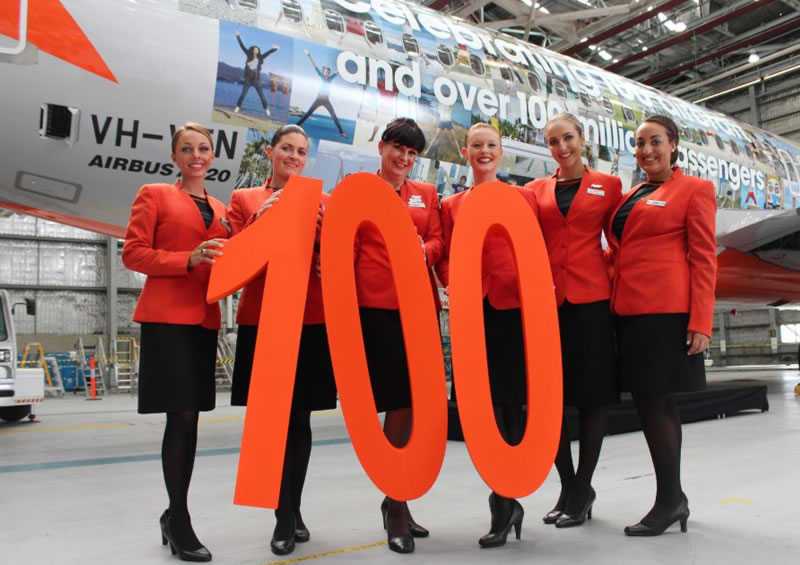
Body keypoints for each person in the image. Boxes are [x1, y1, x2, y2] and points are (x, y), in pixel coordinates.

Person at [227, 124, 336, 557]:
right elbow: (234, 258)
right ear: (270, 152)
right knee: (273, 423)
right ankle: (282, 515)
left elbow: (339, 258)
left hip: (310, 319)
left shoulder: (325, 201)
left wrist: (327, 239)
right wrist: (261, 218)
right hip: (264, 320)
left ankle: (294, 508)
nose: (294, 156)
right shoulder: (245, 199)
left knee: (301, 420)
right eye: (287, 148)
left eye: (301, 151)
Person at [122, 122, 229, 562]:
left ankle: (173, 515)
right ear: (175, 157)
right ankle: (179, 517)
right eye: (187, 149)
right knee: (180, 416)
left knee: (191, 418)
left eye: (203, 148)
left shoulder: (221, 209)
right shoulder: (155, 194)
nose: (196, 155)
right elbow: (133, 252)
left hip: (204, 321)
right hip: (167, 319)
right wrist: (188, 258)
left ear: (212, 156)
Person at [607, 114, 716, 536]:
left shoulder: (694, 190)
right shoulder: (633, 193)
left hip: (665, 312)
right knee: (648, 403)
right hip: (630, 310)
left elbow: (704, 258)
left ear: (673, 144)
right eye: (639, 144)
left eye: (655, 141)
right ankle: (674, 498)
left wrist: (701, 320)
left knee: (658, 404)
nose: (646, 150)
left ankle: (670, 501)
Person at [437, 123, 536, 548]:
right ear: (465, 152)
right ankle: (503, 500)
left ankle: (506, 501)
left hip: (513, 310)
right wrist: (454, 285)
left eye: (491, 145)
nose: (484, 151)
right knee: (483, 409)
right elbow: (445, 257)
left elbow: (534, 250)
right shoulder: (451, 204)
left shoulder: (523, 198)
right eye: (476, 145)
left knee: (512, 404)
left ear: (501, 151)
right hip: (472, 312)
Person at [525, 113, 621, 528]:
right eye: (553, 141)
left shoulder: (609, 185)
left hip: (592, 300)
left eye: (568, 138)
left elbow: (620, 240)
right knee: (551, 400)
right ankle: (568, 485)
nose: (562, 147)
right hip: (548, 303)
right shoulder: (535, 190)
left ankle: (582, 488)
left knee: (592, 397)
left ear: (582, 139)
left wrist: (603, 269)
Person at [356, 117, 443, 554]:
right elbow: (348, 249)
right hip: (377, 309)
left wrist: (419, 250)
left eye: (412, 154)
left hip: (420, 310)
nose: (404, 159)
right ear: (382, 147)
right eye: (398, 149)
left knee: (413, 405)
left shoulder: (425, 194)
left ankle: (396, 499)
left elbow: (438, 242)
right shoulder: (357, 191)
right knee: (397, 400)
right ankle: (396, 504)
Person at [296, 48, 348, 138]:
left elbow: (338, 71)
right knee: (308, 114)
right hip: (319, 99)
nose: (327, 73)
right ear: (323, 72)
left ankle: (342, 132)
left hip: (326, 100)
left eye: (328, 72)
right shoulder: (321, 76)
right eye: (326, 72)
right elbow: (315, 65)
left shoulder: (331, 78)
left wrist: (344, 63)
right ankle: (296, 126)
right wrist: (309, 55)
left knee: (334, 116)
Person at [233, 30, 279, 116]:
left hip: (256, 79)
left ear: (259, 51)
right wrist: (238, 36)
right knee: (243, 94)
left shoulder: (261, 57)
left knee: (261, 95)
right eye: (254, 49)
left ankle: (266, 109)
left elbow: (268, 53)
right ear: (252, 50)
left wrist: (274, 49)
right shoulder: (249, 54)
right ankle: (238, 107)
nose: (256, 50)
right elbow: (242, 46)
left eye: (257, 50)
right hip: (248, 78)